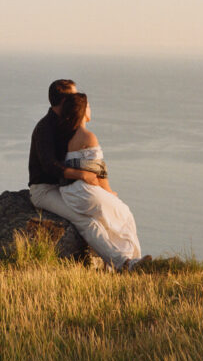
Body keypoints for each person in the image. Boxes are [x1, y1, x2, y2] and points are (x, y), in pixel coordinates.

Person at [56, 91, 150, 273]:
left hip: (69, 193)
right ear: (83, 111)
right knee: (124, 215)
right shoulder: (88, 136)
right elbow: (99, 173)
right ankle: (132, 263)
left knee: (102, 224)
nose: (91, 109)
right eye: (89, 106)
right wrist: (109, 193)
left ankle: (116, 265)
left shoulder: (63, 136)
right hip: (84, 192)